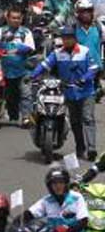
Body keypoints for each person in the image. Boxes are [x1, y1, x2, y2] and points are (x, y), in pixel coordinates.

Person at [31, 25, 99, 160]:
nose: (67, 41)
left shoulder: (85, 51)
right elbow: (44, 65)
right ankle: (80, 147)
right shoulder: (57, 53)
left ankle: (92, 149)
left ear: (75, 38)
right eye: (65, 38)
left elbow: (94, 67)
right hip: (68, 92)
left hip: (85, 92)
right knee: (74, 121)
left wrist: (84, 79)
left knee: (88, 118)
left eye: (70, 38)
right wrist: (33, 75)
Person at [0, 8, 35, 126]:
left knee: (25, 93)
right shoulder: (0, 31)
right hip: (3, 70)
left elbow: (30, 47)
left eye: (18, 18)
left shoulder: (26, 32)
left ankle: (26, 117)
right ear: (8, 19)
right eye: (13, 18)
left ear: (22, 19)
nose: (16, 20)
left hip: (22, 69)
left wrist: (18, 49)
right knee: (8, 94)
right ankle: (2, 113)